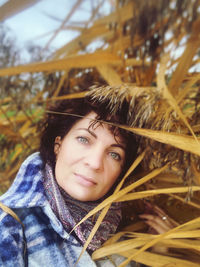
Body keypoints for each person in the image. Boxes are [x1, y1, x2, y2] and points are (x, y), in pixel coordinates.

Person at [0, 85, 173, 267]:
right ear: (58, 145)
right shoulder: (9, 224)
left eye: (114, 154)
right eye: (84, 139)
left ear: (121, 172)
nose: (95, 163)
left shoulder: (123, 237)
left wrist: (160, 254)